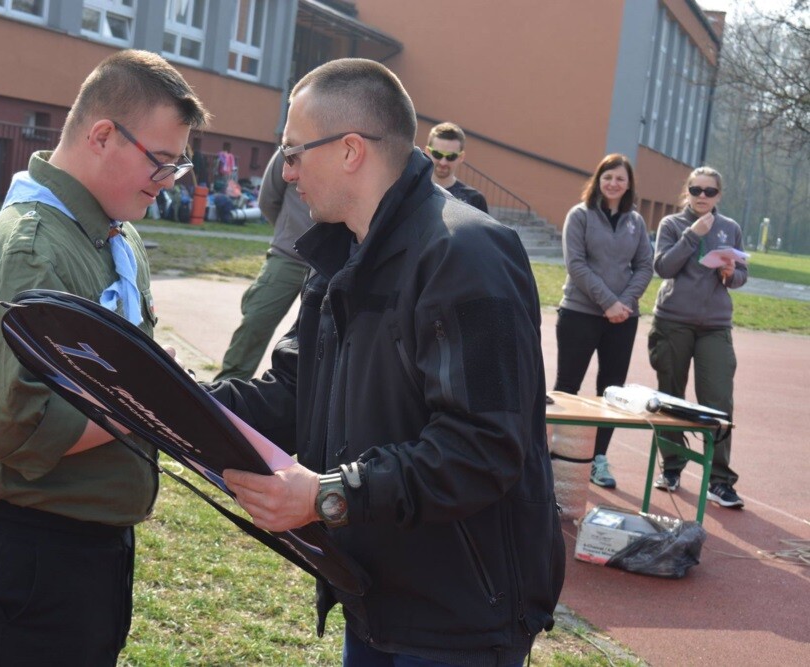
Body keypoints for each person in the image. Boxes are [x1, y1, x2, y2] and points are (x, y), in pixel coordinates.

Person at [210, 58, 564, 666]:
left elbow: (483, 448)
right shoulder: (342, 254)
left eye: (293, 152)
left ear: (350, 150)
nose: (286, 172)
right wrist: (166, 390)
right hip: (373, 592)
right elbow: (294, 394)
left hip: (458, 617)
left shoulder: (468, 253)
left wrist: (326, 496)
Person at [0, 50, 209, 665]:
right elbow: (14, 426)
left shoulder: (113, 235)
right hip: (26, 553)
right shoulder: (30, 251)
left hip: (83, 546)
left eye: (178, 165)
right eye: (161, 161)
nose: (169, 181)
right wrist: (150, 399)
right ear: (102, 135)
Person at [649, 166, 747, 508]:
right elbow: (663, 267)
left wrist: (731, 273)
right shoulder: (672, 224)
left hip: (715, 325)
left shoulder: (730, 228)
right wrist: (692, 235)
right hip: (673, 321)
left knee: (719, 400)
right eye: (696, 190)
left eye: (709, 191)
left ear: (719, 195)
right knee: (671, 397)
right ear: (687, 192)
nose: (702, 196)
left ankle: (719, 480)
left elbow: (741, 275)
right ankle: (672, 467)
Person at [554, 154, 653, 489]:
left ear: (629, 185)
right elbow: (576, 264)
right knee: (568, 386)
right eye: (608, 177)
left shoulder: (635, 222)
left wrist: (624, 303)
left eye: (620, 178)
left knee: (612, 391)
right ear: (598, 180)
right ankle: (553, 455)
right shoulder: (579, 215)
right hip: (580, 313)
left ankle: (598, 458)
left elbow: (645, 266)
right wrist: (608, 301)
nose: (613, 183)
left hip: (622, 318)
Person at [214, 148, 313, 381]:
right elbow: (268, 200)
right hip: (288, 256)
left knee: (316, 337)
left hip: (329, 264)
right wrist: (289, 233)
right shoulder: (293, 147)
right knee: (255, 322)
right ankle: (227, 387)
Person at [424, 121, 489, 213]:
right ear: (427, 152)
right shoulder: (412, 191)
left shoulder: (474, 199)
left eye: (451, 156)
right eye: (437, 154)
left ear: (461, 157)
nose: (443, 162)